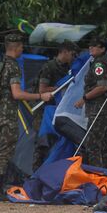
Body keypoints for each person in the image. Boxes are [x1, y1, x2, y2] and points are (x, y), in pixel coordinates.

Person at [0, 34, 53, 201]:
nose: (23, 49)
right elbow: (16, 94)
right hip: (7, 116)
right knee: (4, 152)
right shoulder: (13, 67)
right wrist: (39, 96)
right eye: (21, 47)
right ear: (15, 47)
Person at [30, 41, 77, 170]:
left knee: (57, 143)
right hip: (43, 110)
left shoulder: (68, 68)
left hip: (56, 109)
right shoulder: (49, 67)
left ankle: (50, 170)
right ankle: (36, 172)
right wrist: (60, 87)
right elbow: (42, 90)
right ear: (65, 52)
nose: (73, 57)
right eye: (72, 54)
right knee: (42, 143)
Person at [73, 37, 107, 170]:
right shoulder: (102, 62)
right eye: (90, 45)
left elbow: (102, 87)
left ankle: (98, 175)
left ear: (102, 49)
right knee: (104, 144)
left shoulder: (99, 64)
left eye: (95, 45)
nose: (91, 48)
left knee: (93, 144)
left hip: (100, 110)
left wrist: (84, 99)